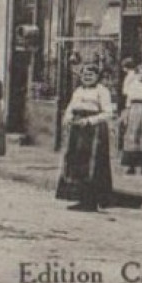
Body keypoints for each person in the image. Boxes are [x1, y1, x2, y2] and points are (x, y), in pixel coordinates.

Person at [56, 65, 114, 211]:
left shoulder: (102, 91)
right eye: (85, 75)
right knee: (76, 162)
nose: (87, 77)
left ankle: (91, 201)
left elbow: (108, 113)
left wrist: (89, 121)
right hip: (77, 130)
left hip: (93, 131)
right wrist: (68, 118)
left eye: (91, 75)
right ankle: (79, 198)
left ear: (97, 76)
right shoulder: (79, 90)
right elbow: (71, 107)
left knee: (92, 164)